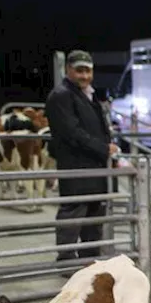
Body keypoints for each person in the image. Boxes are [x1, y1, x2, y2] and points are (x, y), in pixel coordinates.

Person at [45, 50, 118, 263]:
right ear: (68, 70)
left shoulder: (88, 95)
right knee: (73, 214)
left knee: (93, 219)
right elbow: (72, 133)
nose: (84, 76)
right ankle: (67, 262)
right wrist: (104, 149)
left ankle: (89, 261)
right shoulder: (61, 96)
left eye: (88, 71)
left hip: (94, 170)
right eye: (79, 71)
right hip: (76, 168)